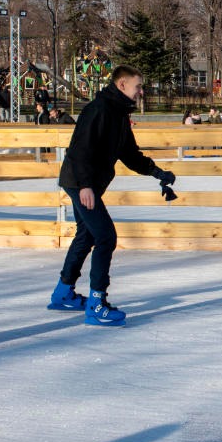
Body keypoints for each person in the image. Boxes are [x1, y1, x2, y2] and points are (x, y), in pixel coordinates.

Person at [48, 65, 177, 326]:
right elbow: (80, 148)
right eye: (138, 86)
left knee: (87, 234)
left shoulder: (118, 114)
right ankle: (97, 304)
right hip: (80, 182)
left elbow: (129, 154)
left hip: (85, 182)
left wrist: (156, 172)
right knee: (106, 236)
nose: (141, 91)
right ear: (122, 85)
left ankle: (63, 293)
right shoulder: (99, 110)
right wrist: (85, 185)